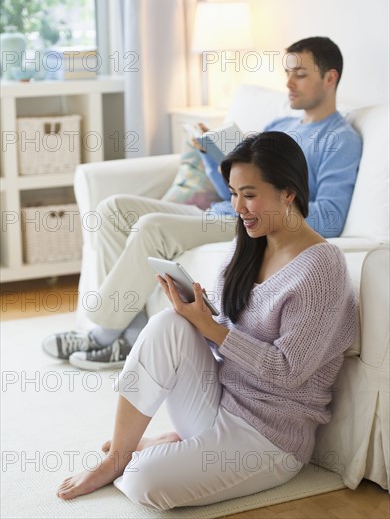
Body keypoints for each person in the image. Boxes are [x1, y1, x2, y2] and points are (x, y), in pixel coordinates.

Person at [56, 132, 357, 508]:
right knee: (168, 324)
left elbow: (287, 371)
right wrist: (195, 315)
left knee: (142, 481)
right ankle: (117, 456)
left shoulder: (322, 268)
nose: (238, 206)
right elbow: (226, 336)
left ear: (289, 192)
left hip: (270, 440)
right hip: (220, 401)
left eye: (249, 194)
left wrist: (211, 328)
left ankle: (171, 445)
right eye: (233, 193)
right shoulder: (249, 245)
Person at [42, 36, 362, 370]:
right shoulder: (279, 126)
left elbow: (331, 217)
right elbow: (236, 192)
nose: (288, 83)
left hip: (258, 220)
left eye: (300, 74)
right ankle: (130, 331)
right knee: (113, 210)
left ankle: (103, 333)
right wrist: (214, 154)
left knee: (153, 227)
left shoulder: (339, 140)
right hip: (226, 211)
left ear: (330, 78)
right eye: (287, 72)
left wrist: (271, 208)